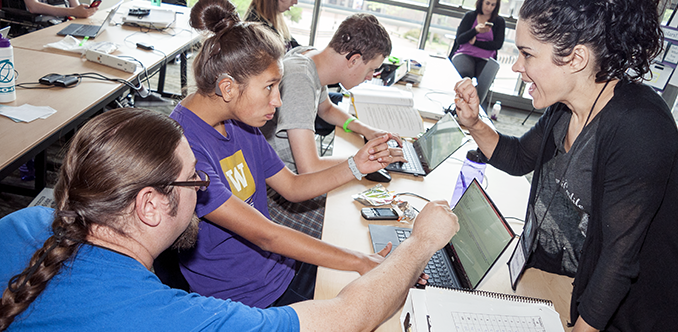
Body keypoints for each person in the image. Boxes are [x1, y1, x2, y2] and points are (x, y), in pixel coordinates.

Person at [0, 107, 460, 331]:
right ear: (150, 205)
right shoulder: (165, 316)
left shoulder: (19, 224)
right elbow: (348, 319)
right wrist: (419, 244)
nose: (204, 186)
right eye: (193, 180)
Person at [166, 0, 406, 309]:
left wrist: (357, 165)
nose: (277, 101)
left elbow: (292, 187)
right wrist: (360, 261)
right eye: (269, 87)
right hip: (248, 296)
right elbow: (267, 235)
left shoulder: (238, 120)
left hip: (276, 268)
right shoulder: (186, 151)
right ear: (227, 87)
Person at [453, 0, 678, 331]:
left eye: (527, 54)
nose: (517, 66)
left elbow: (617, 261)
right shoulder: (563, 108)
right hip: (563, 280)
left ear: (575, 58)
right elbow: (518, 158)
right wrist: (474, 123)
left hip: (621, 316)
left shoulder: (640, 127)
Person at [260, 14, 399, 237]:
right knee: (350, 227)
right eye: (371, 69)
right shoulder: (300, 79)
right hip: (276, 193)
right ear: (353, 60)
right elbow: (310, 168)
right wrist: (365, 160)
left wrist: (366, 130)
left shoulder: (311, 58)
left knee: (357, 196)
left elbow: (326, 109)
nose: (370, 76)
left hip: (289, 179)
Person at [449, 0, 505, 80]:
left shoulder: (499, 21)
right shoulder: (470, 16)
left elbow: (497, 44)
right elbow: (460, 39)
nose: (489, 7)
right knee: (465, 74)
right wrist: (475, 30)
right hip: (465, 53)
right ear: (481, 2)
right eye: (487, 3)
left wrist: (475, 42)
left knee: (484, 79)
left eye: (493, 5)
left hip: (486, 58)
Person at [22, 0, 97, 18]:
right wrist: (73, 11)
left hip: (66, 20)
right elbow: (33, 7)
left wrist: (82, 11)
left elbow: (75, 5)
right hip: (43, 23)